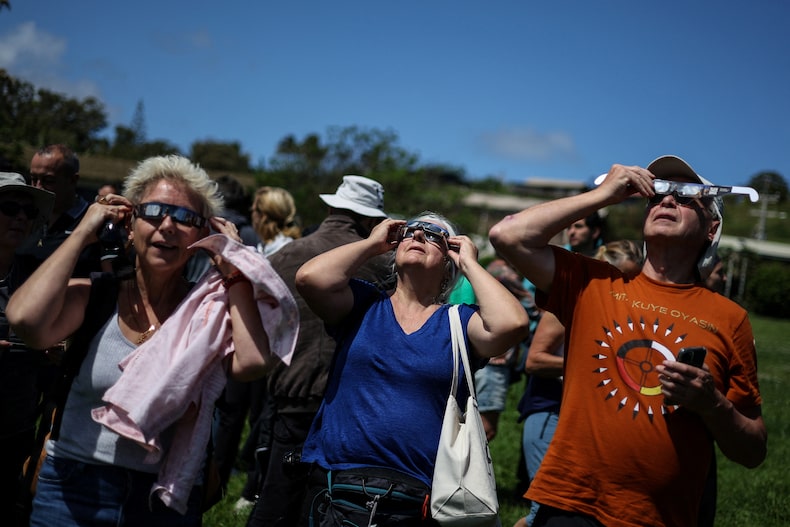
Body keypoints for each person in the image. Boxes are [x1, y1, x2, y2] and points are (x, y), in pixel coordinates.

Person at [6, 154, 297, 526]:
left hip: (165, 500)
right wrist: (83, 231)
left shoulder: (208, 314)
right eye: (155, 211)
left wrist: (233, 266)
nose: (168, 225)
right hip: (72, 490)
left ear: (202, 237)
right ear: (129, 225)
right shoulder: (95, 296)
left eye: (186, 218)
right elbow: (24, 320)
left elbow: (253, 362)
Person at [490, 155, 766, 527]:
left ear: (711, 228)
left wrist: (713, 405)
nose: (668, 201)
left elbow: (753, 450)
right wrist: (603, 196)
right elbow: (507, 235)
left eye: (686, 197)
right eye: (659, 194)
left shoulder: (731, 319)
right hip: (569, 503)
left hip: (659, 518)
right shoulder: (594, 282)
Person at [295, 211, 530, 526]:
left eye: (434, 235)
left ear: (450, 260)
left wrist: (472, 265)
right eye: (411, 231)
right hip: (338, 488)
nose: (418, 236)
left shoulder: (458, 322)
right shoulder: (363, 304)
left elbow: (512, 324)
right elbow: (310, 279)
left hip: (418, 498)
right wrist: (371, 244)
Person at [246, 175, 393, 527]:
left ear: (332, 207)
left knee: (275, 499)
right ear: (373, 220)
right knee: (329, 502)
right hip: (349, 401)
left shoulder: (285, 254)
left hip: (288, 391)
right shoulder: (384, 265)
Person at [514, 239, 643, 527]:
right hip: (550, 412)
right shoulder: (574, 300)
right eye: (624, 277)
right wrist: (593, 366)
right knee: (543, 511)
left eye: (636, 278)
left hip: (584, 422)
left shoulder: (623, 313)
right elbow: (534, 361)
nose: (631, 286)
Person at [214, 185, 302, 512]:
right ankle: (221, 482)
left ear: (264, 214)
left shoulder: (288, 250)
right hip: (250, 339)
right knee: (235, 415)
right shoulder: (264, 247)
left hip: (276, 349)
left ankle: (253, 489)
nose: (251, 213)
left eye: (255, 208)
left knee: (263, 420)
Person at [0, 173, 54, 517]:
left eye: (28, 211)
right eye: (9, 207)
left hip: (16, 431)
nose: (21, 216)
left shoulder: (36, 276)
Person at [251, 186, 302, 257]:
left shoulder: (285, 250)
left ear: (263, 216)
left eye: (253, 210)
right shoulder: (263, 246)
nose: (252, 214)